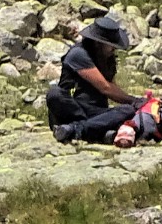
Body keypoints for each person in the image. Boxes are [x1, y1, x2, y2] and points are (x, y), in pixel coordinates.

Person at [46, 16, 144, 144]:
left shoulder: (108, 60)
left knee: (127, 110)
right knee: (54, 94)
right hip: (72, 107)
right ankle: (91, 129)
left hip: (96, 111)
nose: (113, 49)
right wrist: (134, 100)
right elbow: (105, 88)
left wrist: (134, 104)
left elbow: (112, 88)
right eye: (110, 45)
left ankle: (77, 130)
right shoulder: (78, 54)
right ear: (98, 43)